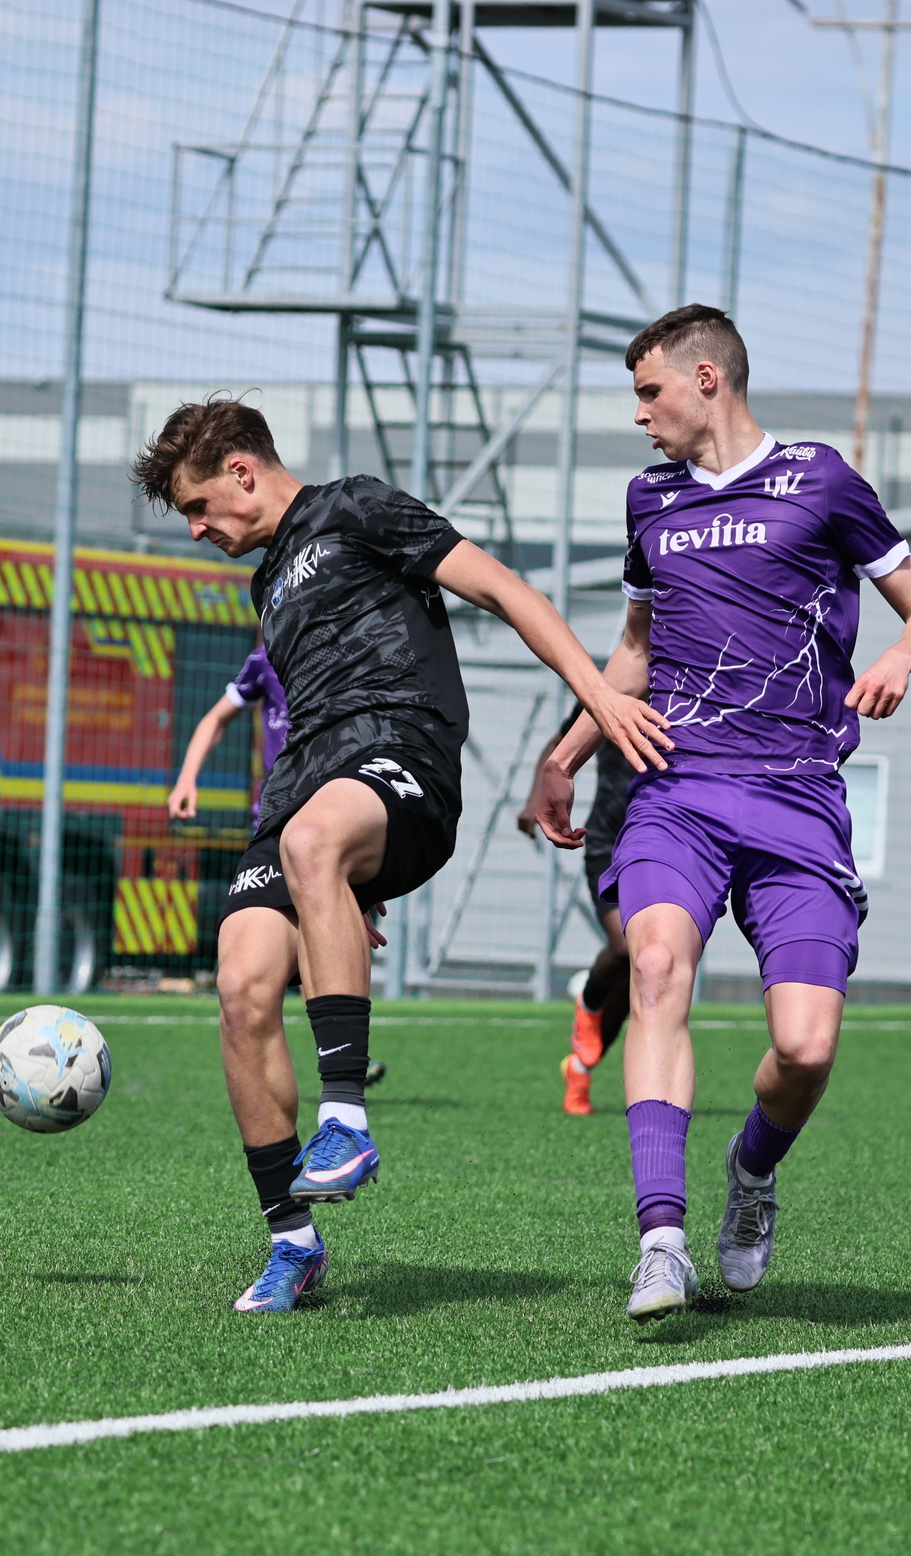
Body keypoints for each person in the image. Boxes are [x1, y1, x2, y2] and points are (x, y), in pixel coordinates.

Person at [133, 397, 667, 1314]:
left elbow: (506, 590)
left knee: (313, 840)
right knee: (241, 985)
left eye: (197, 505)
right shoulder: (267, 585)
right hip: (305, 790)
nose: (195, 528)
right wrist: (346, 890)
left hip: (402, 753)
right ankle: (292, 1242)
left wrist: (595, 704)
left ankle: (345, 1115)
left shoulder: (356, 506)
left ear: (242, 472)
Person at [537, 305, 911, 1323]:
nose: (640, 414)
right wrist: (564, 752)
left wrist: (898, 658)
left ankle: (753, 1168)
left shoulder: (822, 480)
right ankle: (661, 1241)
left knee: (805, 1048)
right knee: (653, 965)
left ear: (707, 378)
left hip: (797, 795)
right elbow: (635, 649)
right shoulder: (650, 499)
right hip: (676, 787)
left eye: (649, 391)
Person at [170, 651, 392, 1091]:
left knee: (323, 929)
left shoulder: (347, 653)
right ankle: (330, 1053)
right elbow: (216, 718)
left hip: (327, 818)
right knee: (255, 965)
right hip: (274, 820)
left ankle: (344, 1053)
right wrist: (186, 778)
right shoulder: (264, 662)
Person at [519, 707, 635, 1115]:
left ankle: (582, 1068)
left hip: (665, 845)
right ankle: (587, 1007)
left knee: (641, 976)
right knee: (626, 947)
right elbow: (560, 745)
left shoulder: (698, 689)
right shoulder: (613, 690)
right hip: (608, 843)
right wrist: (535, 802)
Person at [168, 644, 287, 828]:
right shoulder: (267, 658)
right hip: (275, 810)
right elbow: (215, 719)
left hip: (326, 802)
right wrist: (186, 780)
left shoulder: (336, 658)